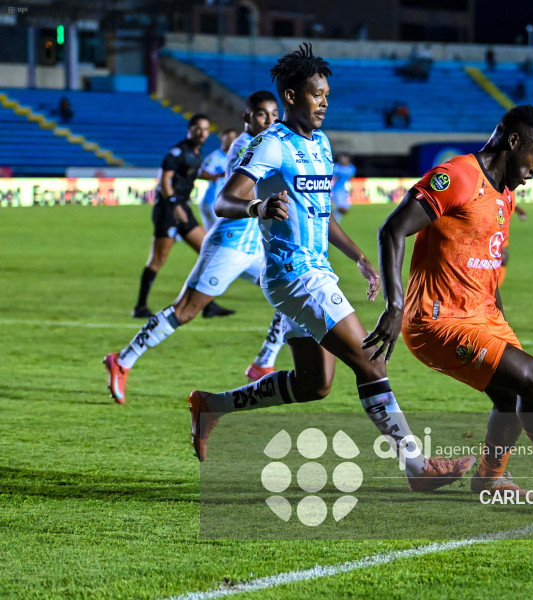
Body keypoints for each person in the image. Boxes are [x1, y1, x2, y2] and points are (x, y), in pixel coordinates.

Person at [185, 43, 473, 492]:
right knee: (372, 361)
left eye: (326, 94)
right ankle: (417, 467)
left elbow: (321, 213)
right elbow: (226, 200)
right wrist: (259, 206)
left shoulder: (319, 144)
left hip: (312, 274)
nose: (324, 101)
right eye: (316, 93)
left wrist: (359, 257)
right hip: (295, 275)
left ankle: (212, 406)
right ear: (292, 96)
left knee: (313, 384)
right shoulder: (271, 144)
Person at [363, 105, 533, 496]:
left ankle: (490, 477)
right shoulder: (456, 177)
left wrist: (501, 325)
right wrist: (395, 306)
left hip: (483, 315)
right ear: (513, 141)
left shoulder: (505, 193)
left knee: (513, 394)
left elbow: (487, 264)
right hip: (437, 321)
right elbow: (392, 230)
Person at [104, 92, 284, 404]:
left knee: (292, 292)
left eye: (273, 114)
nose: (268, 121)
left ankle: (263, 362)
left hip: (255, 246)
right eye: (261, 115)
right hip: (230, 244)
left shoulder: (269, 143)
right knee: (185, 310)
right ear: (247, 117)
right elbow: (256, 188)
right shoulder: (245, 145)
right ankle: (122, 360)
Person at [131, 114, 232, 319]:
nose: (203, 134)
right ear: (190, 130)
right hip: (169, 210)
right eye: (198, 129)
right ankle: (140, 306)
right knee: (158, 259)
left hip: (182, 208)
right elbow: (164, 180)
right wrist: (174, 204)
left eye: (206, 130)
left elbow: (196, 173)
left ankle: (208, 304)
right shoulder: (177, 152)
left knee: (207, 250)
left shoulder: (196, 153)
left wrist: (220, 175)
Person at [198, 128, 238, 231]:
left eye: (233, 138)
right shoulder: (216, 156)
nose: (231, 140)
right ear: (222, 139)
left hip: (227, 202)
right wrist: (220, 175)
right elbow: (201, 173)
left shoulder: (236, 157)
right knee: (217, 233)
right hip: (213, 201)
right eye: (228, 137)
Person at [331, 153, 356, 221]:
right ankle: (332, 222)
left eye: (344, 158)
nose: (343, 159)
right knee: (342, 209)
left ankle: (331, 215)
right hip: (337, 190)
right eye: (341, 158)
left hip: (346, 191)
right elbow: (332, 179)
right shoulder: (335, 167)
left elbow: (350, 179)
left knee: (344, 210)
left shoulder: (351, 168)